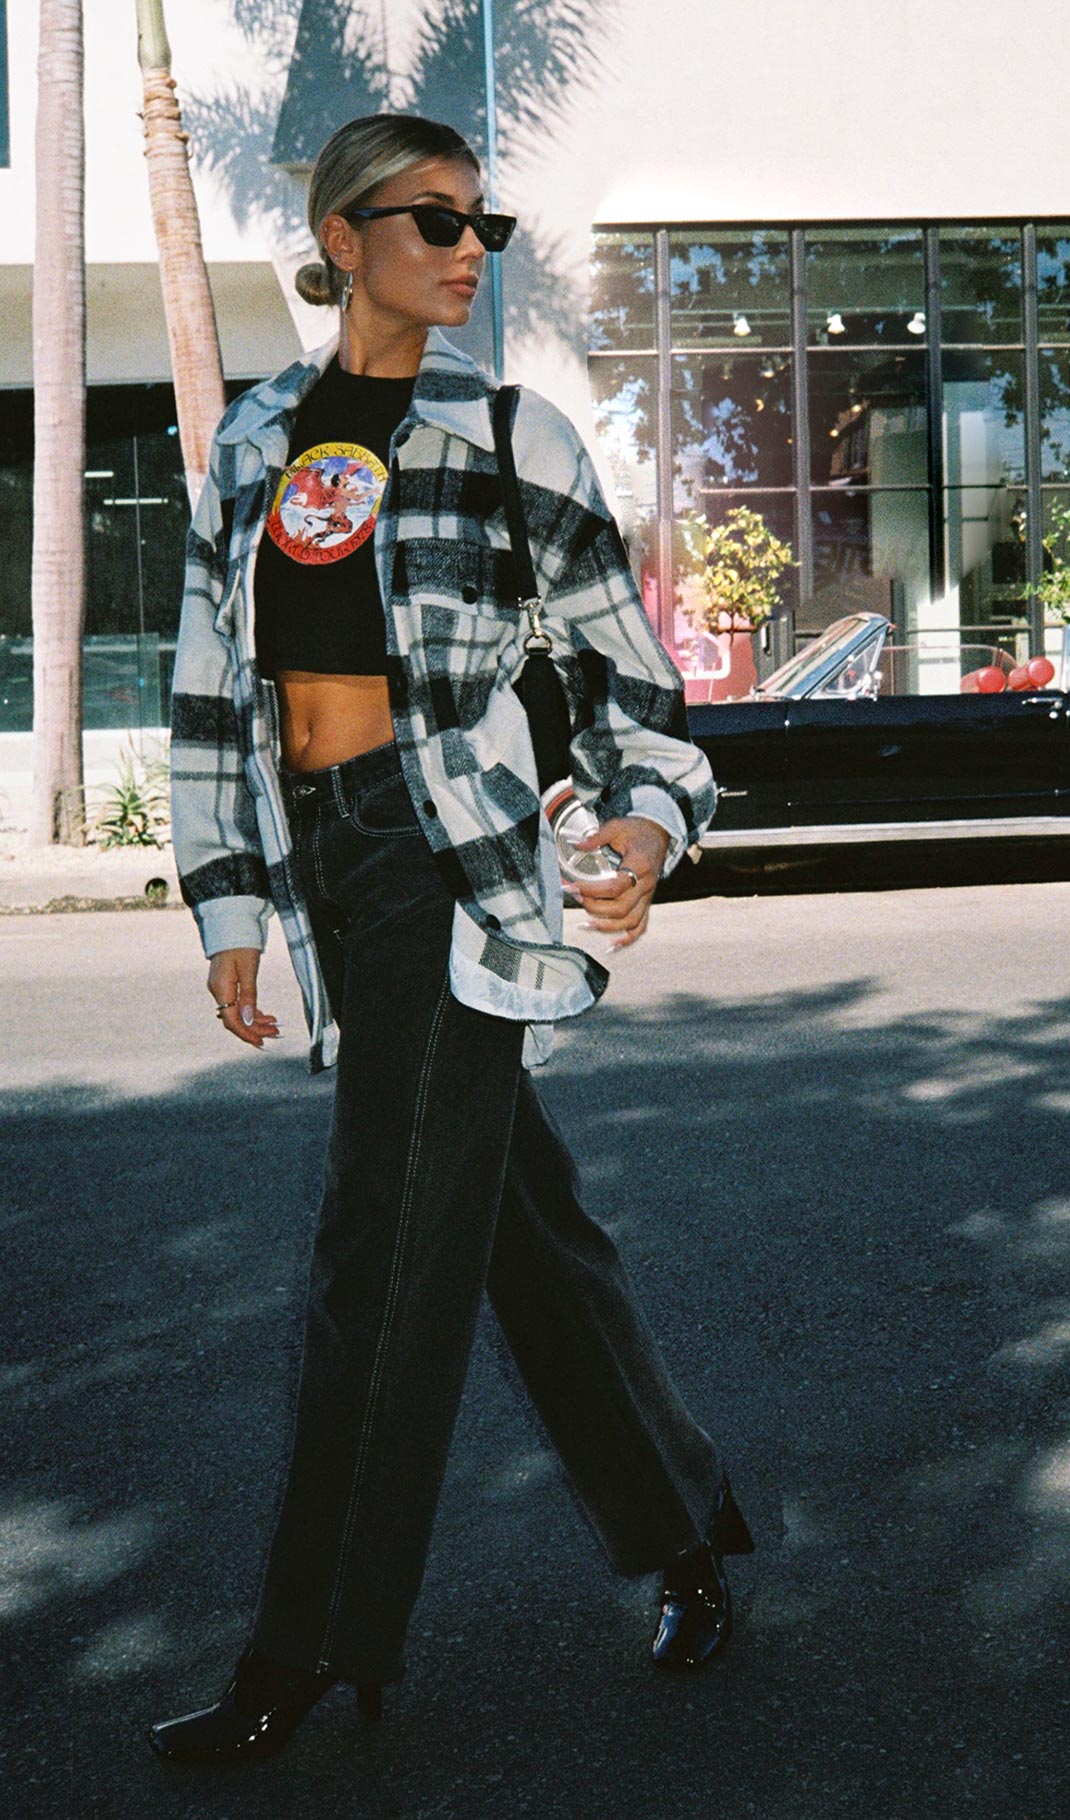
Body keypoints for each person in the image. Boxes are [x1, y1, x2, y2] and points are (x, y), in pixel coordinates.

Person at [148, 111, 754, 1768]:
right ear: (343, 240)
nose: (467, 247)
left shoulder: (510, 434)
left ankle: (307, 1648)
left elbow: (634, 691)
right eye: (428, 220)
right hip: (328, 864)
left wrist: (640, 826)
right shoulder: (257, 441)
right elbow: (214, 690)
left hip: (449, 858)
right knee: (512, 1237)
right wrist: (230, 904)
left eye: (481, 221)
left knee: (378, 1249)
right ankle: (689, 1536)